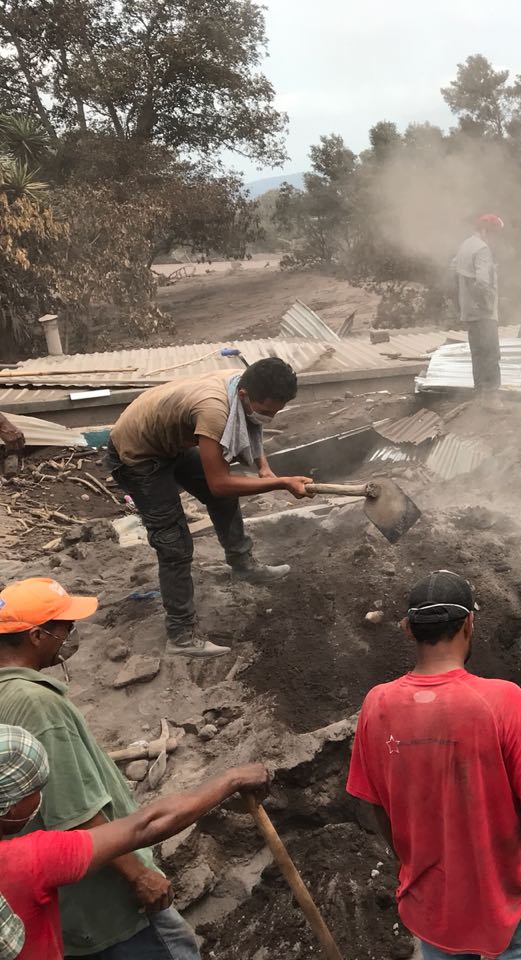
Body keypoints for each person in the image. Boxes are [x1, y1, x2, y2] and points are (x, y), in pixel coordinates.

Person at [347, 571, 521, 960]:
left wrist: (412, 864)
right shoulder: (503, 700)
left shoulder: (375, 705)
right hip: (509, 903)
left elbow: (376, 805)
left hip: (432, 904)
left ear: (409, 630)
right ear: (469, 623)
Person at [0, 577, 208, 958]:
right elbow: (75, 812)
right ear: (35, 636)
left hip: (51, 899)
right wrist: (138, 875)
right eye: (65, 627)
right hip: (108, 906)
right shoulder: (37, 704)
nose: (71, 635)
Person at [0, 722, 267, 960]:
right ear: (11, 806)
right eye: (36, 790)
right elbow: (145, 826)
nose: (42, 797)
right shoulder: (28, 860)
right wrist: (232, 779)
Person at [106, 359, 313, 657]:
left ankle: (244, 566)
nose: (269, 418)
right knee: (174, 542)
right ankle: (180, 635)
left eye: (275, 412)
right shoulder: (215, 411)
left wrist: (264, 468)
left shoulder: (239, 385)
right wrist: (280, 483)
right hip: (137, 455)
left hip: (170, 443)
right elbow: (220, 483)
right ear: (244, 395)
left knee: (226, 498)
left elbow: (252, 425)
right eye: (266, 411)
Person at [452, 214, 506, 411]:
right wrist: (487, 305)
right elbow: (483, 281)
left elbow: (454, 267)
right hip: (483, 311)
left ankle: (480, 395)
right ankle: (491, 397)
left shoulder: (466, 245)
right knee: (491, 352)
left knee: (478, 353)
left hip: (469, 309)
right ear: (485, 231)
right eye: (494, 235)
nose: (495, 239)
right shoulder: (482, 249)